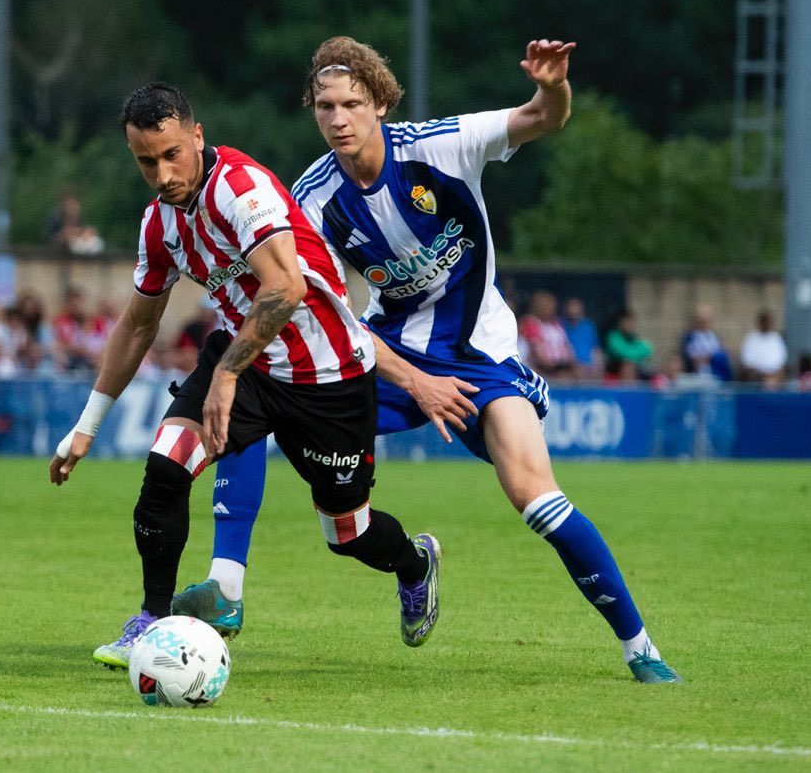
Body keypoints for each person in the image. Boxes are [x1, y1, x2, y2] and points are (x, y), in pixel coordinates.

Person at [182, 36, 680, 684]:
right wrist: (416, 381)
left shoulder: (442, 145)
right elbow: (330, 315)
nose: (337, 119)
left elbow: (543, 118)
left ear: (380, 103)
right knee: (282, 432)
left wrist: (553, 85)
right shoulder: (311, 199)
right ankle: (293, 579)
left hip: (482, 355)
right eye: (324, 106)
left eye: (351, 104)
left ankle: (641, 649)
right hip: (388, 354)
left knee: (535, 496)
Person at [49, 82, 440, 668]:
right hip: (248, 360)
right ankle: (151, 621)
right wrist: (88, 424)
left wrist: (228, 375)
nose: (161, 174)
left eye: (171, 154)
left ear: (197, 136)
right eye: (145, 161)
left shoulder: (240, 187)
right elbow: (136, 325)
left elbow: (287, 287)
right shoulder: (159, 224)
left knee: (348, 533)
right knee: (166, 465)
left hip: (326, 375)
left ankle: (416, 561)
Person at [517, 292, 576, 378]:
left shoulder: (556, 324)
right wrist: (554, 368)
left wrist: (570, 364)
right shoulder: (530, 322)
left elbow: (566, 346)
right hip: (538, 368)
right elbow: (537, 352)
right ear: (537, 307)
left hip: (561, 366)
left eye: (552, 305)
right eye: (546, 306)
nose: (551, 309)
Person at [681, 304, 731, 381]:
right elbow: (688, 354)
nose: (705, 322)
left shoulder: (714, 336)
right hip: (698, 368)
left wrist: (711, 357)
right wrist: (704, 358)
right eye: (702, 320)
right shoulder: (690, 336)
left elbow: (721, 350)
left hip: (715, 367)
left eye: (707, 319)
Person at [739, 309, 788, 384]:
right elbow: (746, 360)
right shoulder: (751, 338)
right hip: (756, 374)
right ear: (760, 322)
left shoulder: (776, 338)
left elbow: (781, 360)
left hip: (773, 374)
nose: (767, 324)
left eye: (769, 322)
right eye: (764, 322)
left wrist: (773, 372)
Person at [605, 308, 654, 377]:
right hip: (615, 370)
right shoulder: (613, 337)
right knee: (628, 365)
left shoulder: (633, 337)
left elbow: (648, 349)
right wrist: (637, 353)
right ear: (621, 323)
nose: (631, 325)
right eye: (628, 322)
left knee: (651, 371)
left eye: (632, 322)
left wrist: (633, 352)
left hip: (635, 369)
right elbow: (627, 354)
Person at [560, 297, 602, 377]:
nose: (573, 310)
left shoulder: (588, 326)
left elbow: (595, 349)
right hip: (570, 365)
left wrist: (598, 367)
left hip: (589, 366)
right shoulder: (561, 325)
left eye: (576, 307)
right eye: (571, 307)